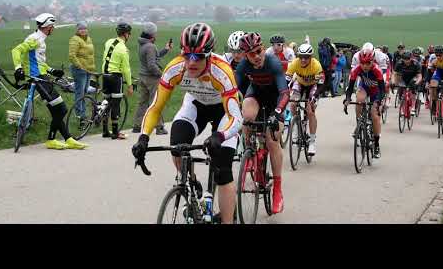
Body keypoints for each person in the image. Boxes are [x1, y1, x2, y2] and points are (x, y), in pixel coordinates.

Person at [132, 23, 242, 224]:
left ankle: (227, 220)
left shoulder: (222, 71)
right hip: (195, 105)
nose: (191, 62)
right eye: (187, 55)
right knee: (177, 146)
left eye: (198, 56)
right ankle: (191, 186)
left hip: (223, 111)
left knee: (223, 170)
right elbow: (155, 107)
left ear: (209, 55)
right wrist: (143, 137)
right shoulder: (175, 68)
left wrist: (220, 135)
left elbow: (236, 117)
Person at [12, 13, 87, 150]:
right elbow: (16, 51)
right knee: (61, 108)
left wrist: (52, 70)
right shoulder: (35, 39)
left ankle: (68, 138)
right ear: (48, 27)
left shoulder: (40, 39)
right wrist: (18, 68)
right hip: (38, 78)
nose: (54, 28)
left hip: (42, 76)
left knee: (56, 111)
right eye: (53, 26)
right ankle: (51, 140)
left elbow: (39, 62)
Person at [236, 32, 289, 214]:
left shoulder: (272, 62)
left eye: (259, 51)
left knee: (271, 138)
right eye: (252, 54)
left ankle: (277, 190)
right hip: (257, 96)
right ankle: (250, 152)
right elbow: (234, 88)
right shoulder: (243, 66)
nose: (257, 56)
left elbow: (285, 92)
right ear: (245, 55)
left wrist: (277, 113)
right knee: (247, 116)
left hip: (276, 102)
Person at [344, 48, 385, 159]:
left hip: (376, 91)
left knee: (375, 116)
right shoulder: (356, 69)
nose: (365, 66)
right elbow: (350, 87)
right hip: (365, 88)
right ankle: (359, 123)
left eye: (368, 63)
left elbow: (382, 90)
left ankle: (376, 144)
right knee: (359, 100)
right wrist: (347, 99)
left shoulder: (377, 70)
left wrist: (379, 102)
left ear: (373, 61)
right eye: (362, 63)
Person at [132, 22, 173, 134]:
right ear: (152, 35)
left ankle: (137, 125)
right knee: (156, 102)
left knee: (142, 102)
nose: (156, 35)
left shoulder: (143, 44)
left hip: (143, 77)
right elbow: (151, 65)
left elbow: (154, 57)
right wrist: (161, 74)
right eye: (155, 33)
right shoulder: (150, 46)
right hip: (152, 78)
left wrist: (165, 49)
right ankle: (159, 127)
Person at [286, 43, 324, 155]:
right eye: (300, 56)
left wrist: (314, 96)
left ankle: (312, 142)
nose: (303, 59)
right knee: (292, 103)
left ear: (310, 57)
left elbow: (321, 84)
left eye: (306, 57)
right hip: (300, 84)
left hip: (313, 86)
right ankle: (297, 124)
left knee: (310, 111)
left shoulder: (316, 65)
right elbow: (286, 80)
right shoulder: (294, 63)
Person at [101, 22, 134, 140]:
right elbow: (126, 69)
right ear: (125, 34)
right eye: (129, 34)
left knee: (106, 102)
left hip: (105, 75)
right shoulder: (123, 49)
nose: (129, 36)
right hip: (115, 77)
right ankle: (115, 132)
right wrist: (130, 85)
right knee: (115, 104)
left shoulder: (108, 42)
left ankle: (105, 130)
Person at [68, 21, 96, 127]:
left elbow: (90, 55)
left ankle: (83, 114)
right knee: (80, 93)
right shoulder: (75, 40)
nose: (83, 30)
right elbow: (72, 55)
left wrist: (90, 68)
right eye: (81, 29)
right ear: (77, 30)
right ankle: (80, 115)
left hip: (88, 70)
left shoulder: (88, 39)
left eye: (85, 28)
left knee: (85, 92)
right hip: (79, 70)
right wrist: (79, 66)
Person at [392, 51, 423, 116]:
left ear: (411, 58)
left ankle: (413, 107)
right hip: (403, 77)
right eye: (405, 59)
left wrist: (417, 83)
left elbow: (419, 76)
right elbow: (394, 73)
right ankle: (403, 108)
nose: (406, 61)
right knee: (402, 91)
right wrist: (393, 82)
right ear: (402, 59)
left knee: (412, 90)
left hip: (413, 77)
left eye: (408, 59)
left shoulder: (416, 63)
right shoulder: (399, 63)